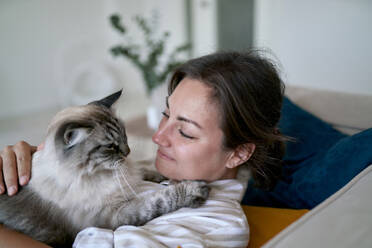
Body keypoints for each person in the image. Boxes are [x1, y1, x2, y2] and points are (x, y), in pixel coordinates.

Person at [0, 50, 286, 247]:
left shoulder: (218, 226)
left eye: (185, 131)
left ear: (239, 152)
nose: (158, 136)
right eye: (165, 114)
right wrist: (33, 166)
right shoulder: (168, 170)